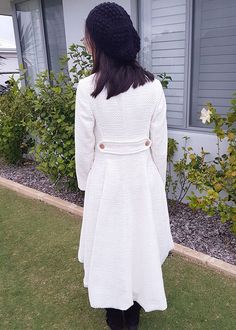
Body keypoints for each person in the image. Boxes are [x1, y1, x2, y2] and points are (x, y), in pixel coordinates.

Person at [74, 2, 175, 329]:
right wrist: (156, 183)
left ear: (98, 42)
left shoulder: (86, 89)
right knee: (137, 240)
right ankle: (131, 307)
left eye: (87, 36)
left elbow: (84, 146)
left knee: (110, 243)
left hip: (106, 177)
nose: (86, 41)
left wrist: (86, 184)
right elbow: (160, 143)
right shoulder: (153, 86)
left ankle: (116, 311)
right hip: (142, 176)